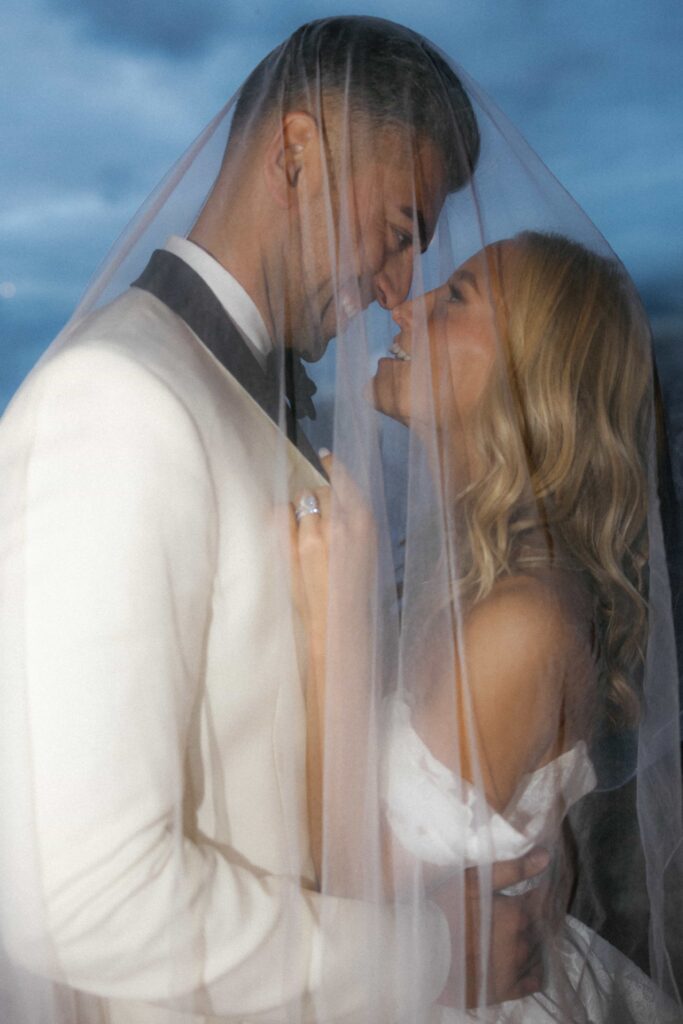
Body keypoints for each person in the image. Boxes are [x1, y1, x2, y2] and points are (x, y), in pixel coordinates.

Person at [0, 17, 547, 1024]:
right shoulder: (115, 399)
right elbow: (75, 900)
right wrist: (426, 952)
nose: (396, 290)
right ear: (295, 153)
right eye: (396, 232)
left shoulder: (229, 403)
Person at [293, 232, 683, 1020]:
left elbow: (350, 884)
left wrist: (326, 633)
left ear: (528, 375)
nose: (404, 306)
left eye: (457, 296)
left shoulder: (523, 618)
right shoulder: (487, 582)